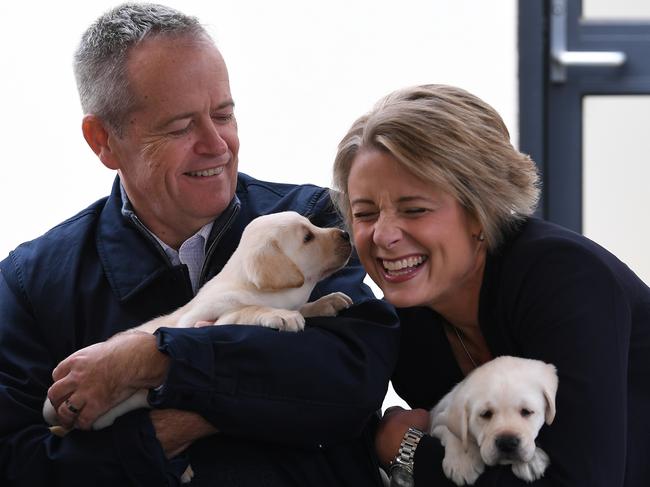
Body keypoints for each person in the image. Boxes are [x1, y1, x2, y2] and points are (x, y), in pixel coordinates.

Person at [0, 3, 399, 486]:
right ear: (102, 140)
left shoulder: (313, 219)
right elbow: (19, 462)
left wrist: (155, 360)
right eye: (180, 126)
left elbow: (350, 384)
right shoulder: (31, 283)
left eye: (223, 114)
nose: (217, 144)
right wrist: (182, 423)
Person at [331, 84, 650, 486]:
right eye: (365, 213)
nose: (383, 235)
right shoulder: (410, 323)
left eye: (415, 210)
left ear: (480, 212)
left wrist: (406, 448)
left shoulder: (564, 278)